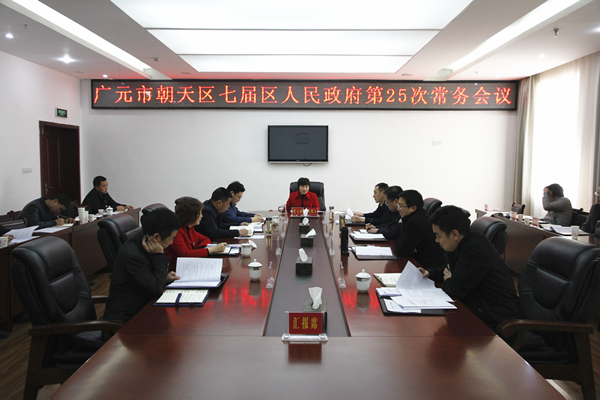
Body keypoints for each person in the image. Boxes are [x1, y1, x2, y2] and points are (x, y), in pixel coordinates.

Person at [419, 205, 520, 332]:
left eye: (438, 235)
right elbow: (449, 269)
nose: (436, 240)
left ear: (454, 234)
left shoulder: (475, 250)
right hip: (477, 308)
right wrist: (430, 273)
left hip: (494, 320)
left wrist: (450, 279)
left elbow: (455, 289)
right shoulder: (463, 243)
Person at [104, 208, 181, 323]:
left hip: (144, 308)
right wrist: (159, 255)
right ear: (156, 237)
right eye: (172, 238)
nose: (172, 242)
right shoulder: (133, 256)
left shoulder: (143, 243)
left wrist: (164, 277)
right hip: (127, 321)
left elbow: (150, 279)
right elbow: (157, 290)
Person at [164, 197, 227, 271]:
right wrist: (210, 250)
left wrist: (197, 250)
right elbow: (185, 254)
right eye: (199, 213)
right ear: (191, 215)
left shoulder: (189, 227)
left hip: (190, 265)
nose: (201, 216)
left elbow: (205, 239)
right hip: (177, 270)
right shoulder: (176, 232)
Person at [394, 190, 445, 269]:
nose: (398, 209)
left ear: (413, 208)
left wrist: (403, 242)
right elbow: (401, 241)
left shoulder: (414, 223)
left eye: (400, 206)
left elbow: (401, 251)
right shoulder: (419, 216)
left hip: (427, 266)